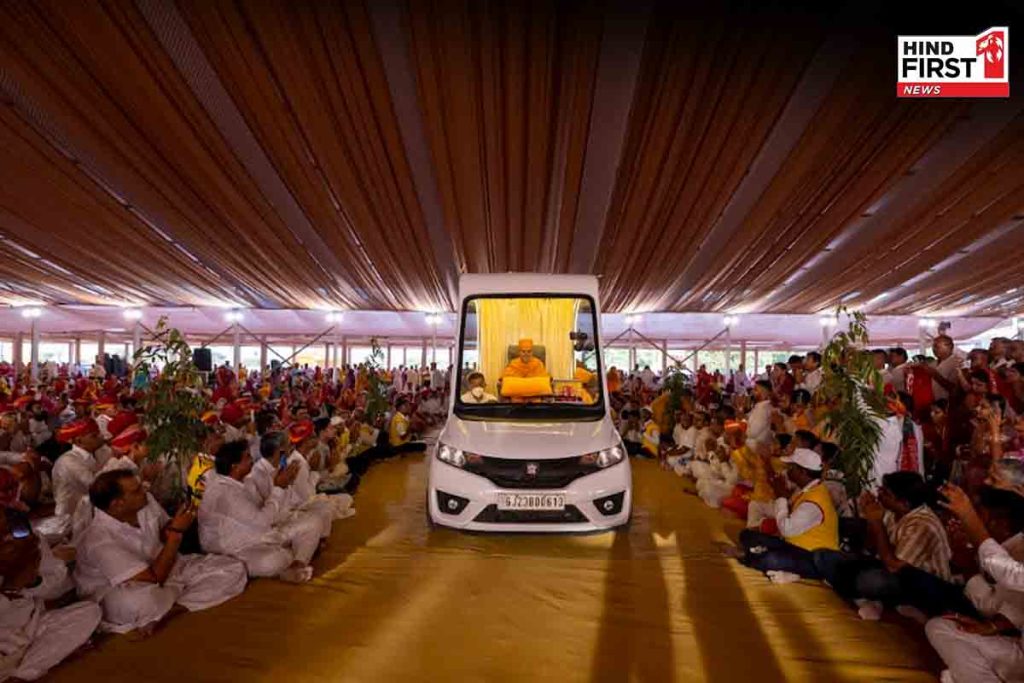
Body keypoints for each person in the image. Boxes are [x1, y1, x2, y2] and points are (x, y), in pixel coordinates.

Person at [74, 471, 247, 634]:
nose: (145, 490)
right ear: (117, 504)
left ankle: (175, 607)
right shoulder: (98, 540)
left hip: (164, 565)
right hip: (126, 588)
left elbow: (164, 529)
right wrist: (176, 534)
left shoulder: (145, 502)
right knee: (143, 601)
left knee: (233, 567)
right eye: (137, 490)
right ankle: (178, 597)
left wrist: (177, 522)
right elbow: (153, 577)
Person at [927, 483, 1024, 682]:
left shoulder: (1017, 550)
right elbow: (1009, 604)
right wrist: (993, 626)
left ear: (1000, 523)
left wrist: (968, 516)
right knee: (938, 626)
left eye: (980, 513)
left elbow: (1009, 574)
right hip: (1018, 651)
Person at [0, 510, 102, 681]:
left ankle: (22, 673)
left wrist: (34, 582)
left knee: (90, 612)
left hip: (32, 625)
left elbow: (58, 585)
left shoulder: (28, 539)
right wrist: (11, 585)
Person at [198, 441, 320, 583]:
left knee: (313, 521)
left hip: (258, 534)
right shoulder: (225, 492)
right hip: (233, 549)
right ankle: (294, 557)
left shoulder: (245, 481)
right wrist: (279, 487)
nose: (252, 460)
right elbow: (263, 522)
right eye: (247, 457)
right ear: (234, 466)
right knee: (276, 559)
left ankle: (296, 564)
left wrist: (285, 485)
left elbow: (267, 513)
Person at [736, 448, 838, 583]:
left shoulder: (815, 502)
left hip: (815, 558)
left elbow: (786, 529)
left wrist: (781, 496)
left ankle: (754, 557)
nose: (788, 470)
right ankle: (761, 555)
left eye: (792, 467)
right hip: (794, 545)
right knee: (746, 535)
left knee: (770, 559)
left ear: (802, 472)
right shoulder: (807, 488)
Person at [52, 418, 103, 522]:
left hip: (88, 511)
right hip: (71, 517)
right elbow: (95, 483)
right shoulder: (68, 460)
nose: (100, 438)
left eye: (98, 434)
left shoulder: (96, 453)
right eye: (94, 436)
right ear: (79, 441)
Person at [746, 380, 774, 450]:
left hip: (756, 447)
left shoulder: (763, 410)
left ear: (764, 393)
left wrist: (742, 426)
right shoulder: (759, 406)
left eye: (755, 390)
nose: (752, 392)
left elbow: (752, 433)